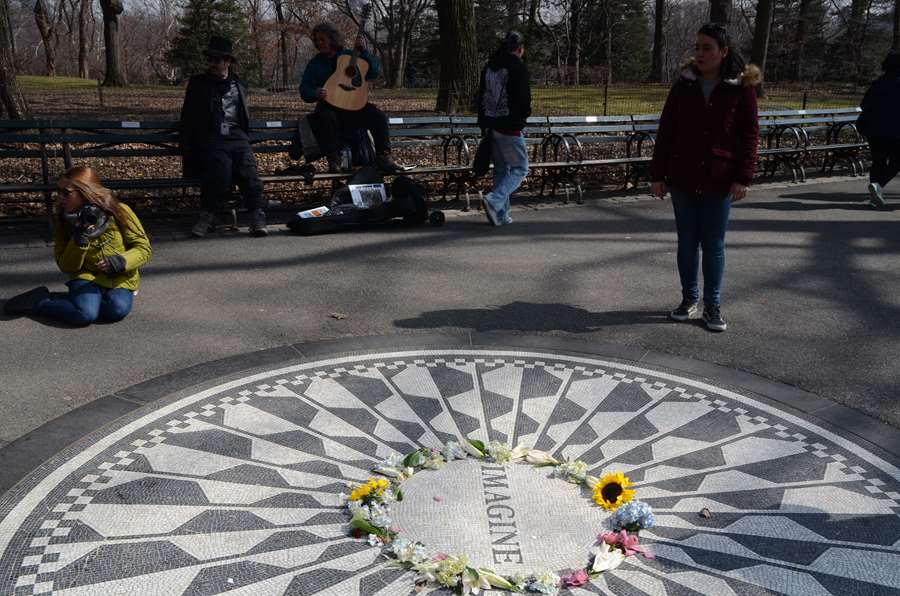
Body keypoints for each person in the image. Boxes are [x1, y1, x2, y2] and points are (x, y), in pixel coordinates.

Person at [649, 22, 760, 332]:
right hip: (682, 175)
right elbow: (667, 130)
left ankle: (712, 305)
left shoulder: (741, 88)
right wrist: (658, 175)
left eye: (707, 47)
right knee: (687, 242)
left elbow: (750, 135)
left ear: (723, 52)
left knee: (713, 244)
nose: (700, 53)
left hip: (719, 178)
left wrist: (743, 177)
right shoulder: (684, 84)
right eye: (697, 47)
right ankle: (689, 299)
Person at [3, 166, 152, 326]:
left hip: (120, 277)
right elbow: (65, 266)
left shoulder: (119, 211)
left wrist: (121, 261)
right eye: (58, 192)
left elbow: (143, 248)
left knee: (116, 310)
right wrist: (79, 242)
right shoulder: (63, 219)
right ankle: (40, 302)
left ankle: (80, 301)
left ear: (86, 193)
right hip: (85, 276)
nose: (60, 198)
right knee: (85, 315)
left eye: (66, 193)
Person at [180, 36, 268, 238]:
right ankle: (208, 216)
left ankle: (257, 215)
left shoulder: (240, 85)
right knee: (220, 170)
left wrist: (243, 138)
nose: (213, 63)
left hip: (237, 136)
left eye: (218, 59)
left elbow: (243, 117)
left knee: (248, 170)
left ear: (228, 61)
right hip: (213, 136)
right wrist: (187, 147)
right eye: (210, 59)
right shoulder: (198, 84)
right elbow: (187, 116)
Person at [299, 23, 399, 173]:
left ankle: (384, 156)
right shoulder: (315, 64)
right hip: (330, 105)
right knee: (324, 116)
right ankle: (334, 159)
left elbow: (373, 73)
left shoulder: (350, 56)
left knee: (378, 116)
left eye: (322, 39)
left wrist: (364, 51)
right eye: (316, 40)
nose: (319, 43)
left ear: (333, 39)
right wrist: (315, 93)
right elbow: (305, 89)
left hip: (354, 105)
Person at [476, 31, 532, 227]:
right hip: (510, 126)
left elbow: (481, 95)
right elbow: (523, 99)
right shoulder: (517, 67)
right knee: (520, 168)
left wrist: (484, 122)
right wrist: (524, 115)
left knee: (502, 169)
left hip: (492, 125)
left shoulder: (490, 66)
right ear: (519, 49)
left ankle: (500, 215)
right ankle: (494, 199)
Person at [858, 49, 900, 208]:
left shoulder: (878, 82)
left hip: (873, 129)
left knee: (878, 162)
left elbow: (863, 105)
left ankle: (874, 197)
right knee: (897, 161)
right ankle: (878, 186)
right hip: (895, 130)